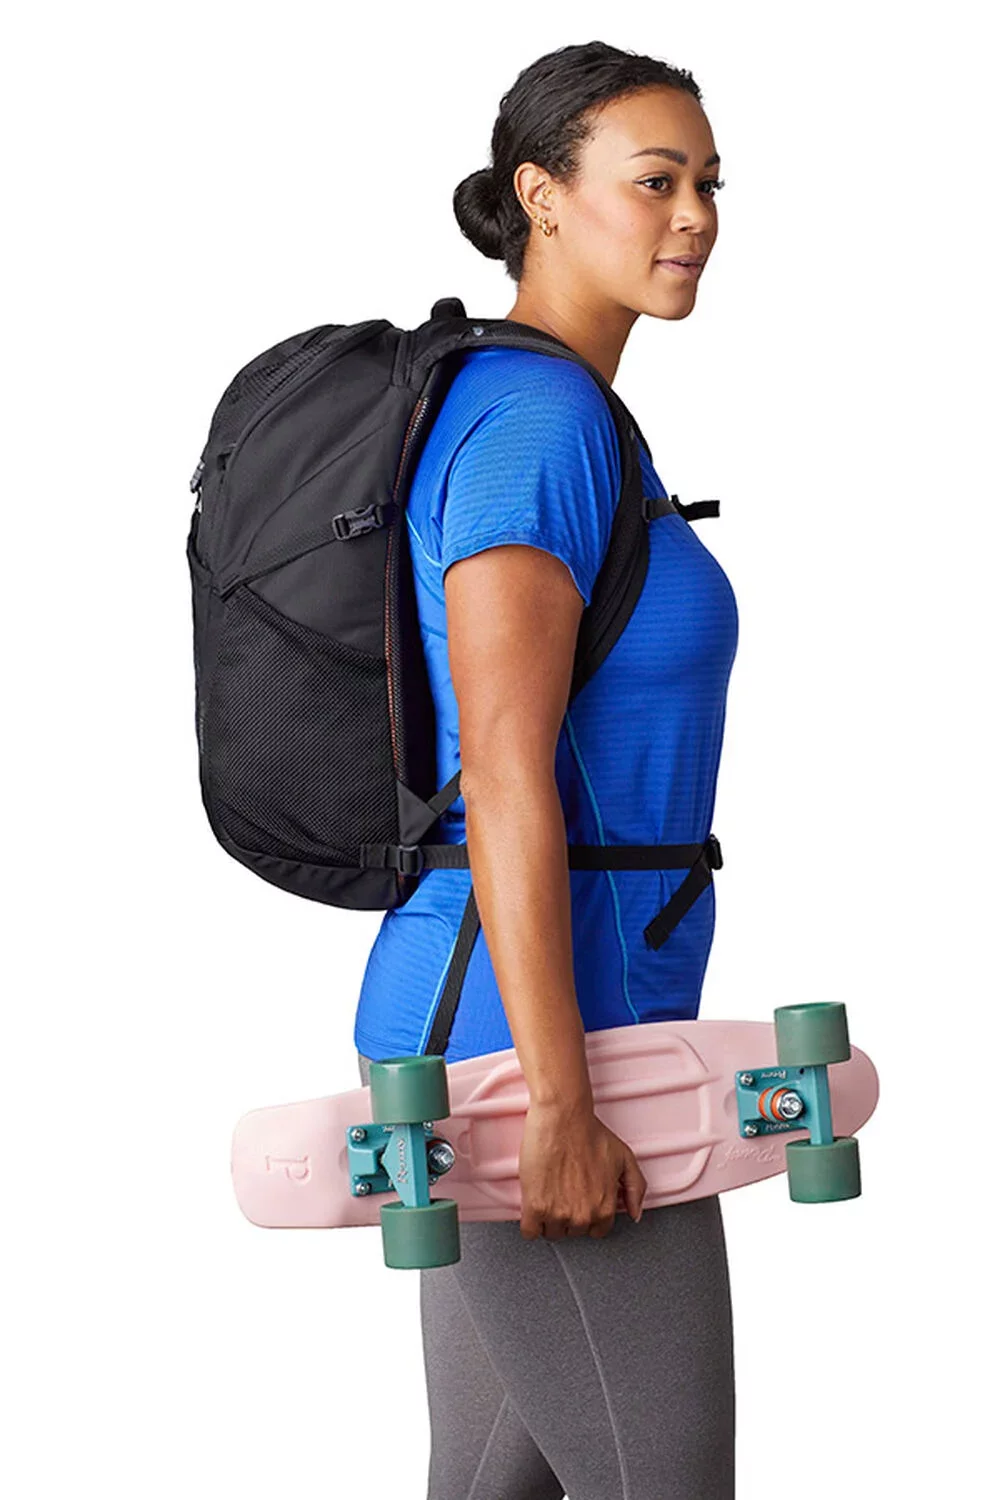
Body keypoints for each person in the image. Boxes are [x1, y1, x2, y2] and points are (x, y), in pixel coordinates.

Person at [354, 40, 739, 1500]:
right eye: (656, 180)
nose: (694, 215)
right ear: (542, 196)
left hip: (507, 1033)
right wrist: (560, 1107)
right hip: (531, 1049)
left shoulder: (563, 413)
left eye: (710, 183)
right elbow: (505, 767)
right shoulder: (537, 422)